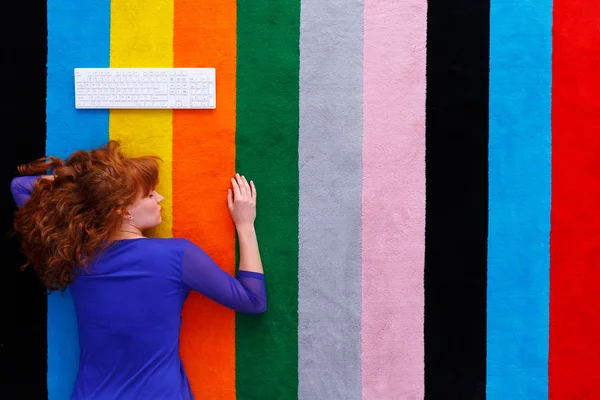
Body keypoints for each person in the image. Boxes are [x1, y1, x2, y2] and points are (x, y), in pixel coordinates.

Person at [10, 140, 266, 399]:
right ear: (123, 210)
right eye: (149, 194)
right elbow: (253, 300)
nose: (160, 197)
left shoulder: (77, 255)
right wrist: (245, 224)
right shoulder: (178, 255)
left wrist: (96, 180)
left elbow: (20, 186)